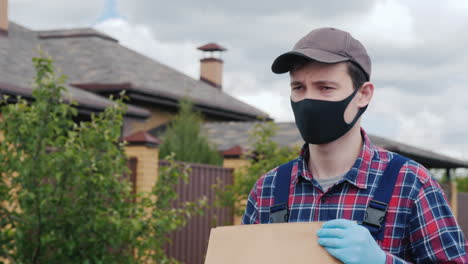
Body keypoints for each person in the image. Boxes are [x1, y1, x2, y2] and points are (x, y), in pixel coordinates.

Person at [241, 27, 468, 263]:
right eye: (298, 88)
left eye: (325, 88)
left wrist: (382, 261)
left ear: (364, 94)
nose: (308, 101)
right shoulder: (267, 189)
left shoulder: (411, 184)